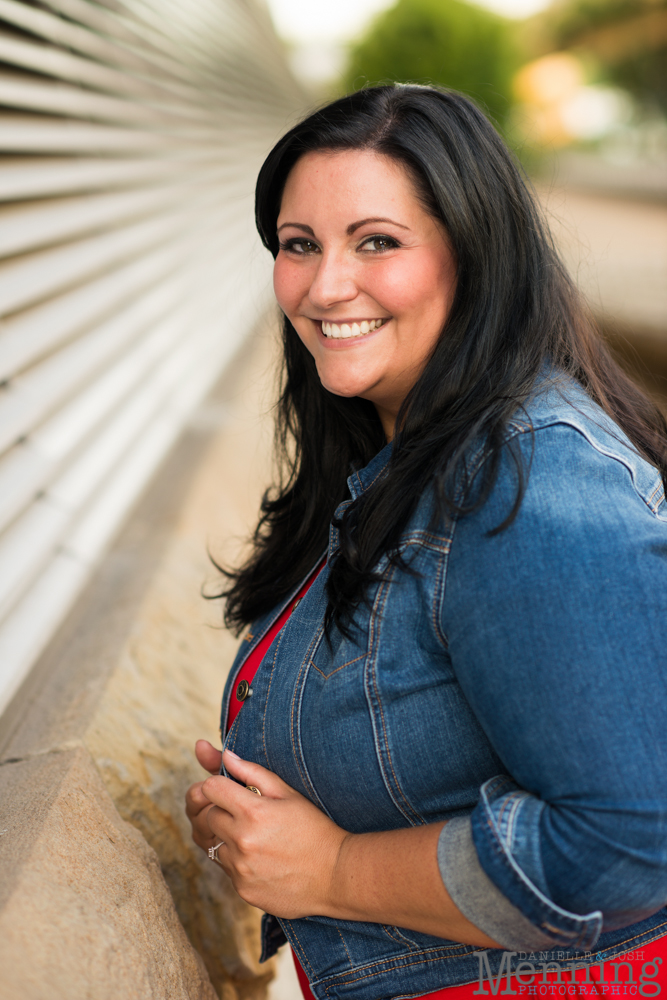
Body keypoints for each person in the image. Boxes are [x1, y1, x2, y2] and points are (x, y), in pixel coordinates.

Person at [185, 85, 667, 1000]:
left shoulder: (528, 489)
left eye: (377, 242)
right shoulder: (401, 449)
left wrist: (331, 872)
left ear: (474, 254)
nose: (325, 286)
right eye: (299, 245)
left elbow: (629, 840)